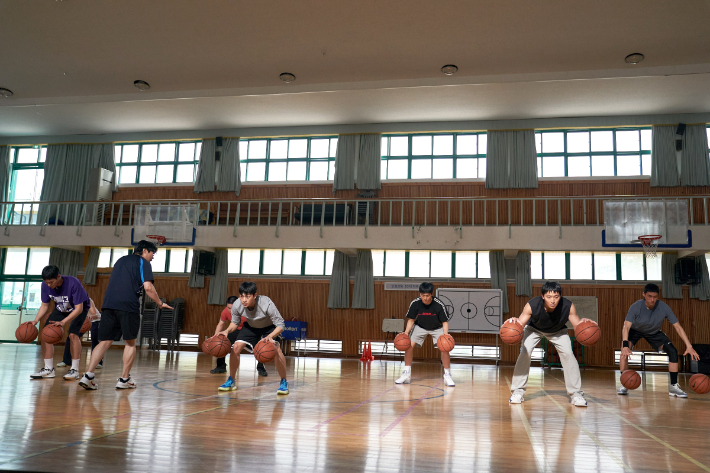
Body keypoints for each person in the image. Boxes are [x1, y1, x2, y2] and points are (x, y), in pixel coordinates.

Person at [79, 240, 172, 390]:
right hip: (128, 305)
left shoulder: (120, 260)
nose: (152, 257)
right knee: (130, 343)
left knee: (104, 341)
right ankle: (124, 379)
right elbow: (148, 287)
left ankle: (88, 375)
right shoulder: (143, 262)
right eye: (152, 253)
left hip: (108, 304)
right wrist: (160, 303)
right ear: (145, 251)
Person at [507, 281, 590, 407]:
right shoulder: (532, 305)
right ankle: (517, 392)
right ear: (543, 296)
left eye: (556, 297)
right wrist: (514, 322)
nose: (553, 300)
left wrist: (584, 324)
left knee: (568, 354)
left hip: (558, 331)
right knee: (525, 352)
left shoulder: (568, 306)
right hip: (534, 329)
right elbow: (520, 323)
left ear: (560, 297)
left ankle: (576, 394)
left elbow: (578, 326)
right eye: (549, 297)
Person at [619, 283, 700, 397]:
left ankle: (673, 387)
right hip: (635, 330)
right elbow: (626, 327)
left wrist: (689, 346)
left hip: (653, 332)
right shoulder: (636, 306)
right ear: (644, 295)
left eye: (655, 297)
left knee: (673, 351)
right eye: (649, 296)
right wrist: (626, 345)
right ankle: (624, 384)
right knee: (624, 351)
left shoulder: (663, 307)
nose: (652, 300)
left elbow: (678, 327)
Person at [218, 281, 289, 395]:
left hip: (270, 328)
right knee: (236, 346)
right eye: (242, 296)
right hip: (251, 327)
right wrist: (226, 331)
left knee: (276, 349)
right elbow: (235, 323)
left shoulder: (266, 303)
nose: (244, 300)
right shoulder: (237, 304)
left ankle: (284, 381)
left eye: (247, 296)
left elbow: (281, 325)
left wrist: (269, 337)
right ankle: (231, 380)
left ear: (255, 296)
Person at [29, 265, 90, 381]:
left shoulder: (73, 283)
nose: (49, 285)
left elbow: (79, 309)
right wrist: (35, 320)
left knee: (73, 334)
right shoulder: (45, 285)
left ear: (58, 276)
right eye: (46, 282)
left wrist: (63, 322)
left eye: (51, 282)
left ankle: (75, 370)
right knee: (45, 334)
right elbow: (44, 305)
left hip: (79, 308)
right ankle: (48, 369)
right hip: (61, 308)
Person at [395, 282, 455, 387]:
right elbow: (411, 320)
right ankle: (406, 373)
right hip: (420, 327)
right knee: (408, 346)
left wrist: (445, 335)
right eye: (423, 295)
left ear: (431, 294)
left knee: (445, 348)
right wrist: (406, 333)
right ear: (420, 294)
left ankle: (447, 375)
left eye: (427, 295)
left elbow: (445, 322)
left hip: (437, 327)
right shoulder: (415, 303)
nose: (425, 298)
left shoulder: (438, 304)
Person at [211, 296, 267, 376]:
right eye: (228, 308)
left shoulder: (248, 311)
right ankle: (221, 367)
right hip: (235, 330)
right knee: (221, 344)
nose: (230, 311)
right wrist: (215, 337)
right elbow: (220, 324)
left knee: (260, 349)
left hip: (250, 330)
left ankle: (261, 368)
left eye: (232, 308)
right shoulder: (225, 312)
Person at [58, 299, 103, 370]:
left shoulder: (87, 300)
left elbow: (95, 314)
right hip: (82, 320)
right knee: (70, 338)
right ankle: (66, 361)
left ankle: (98, 362)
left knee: (95, 340)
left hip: (95, 321)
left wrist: (91, 317)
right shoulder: (69, 301)